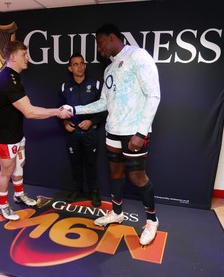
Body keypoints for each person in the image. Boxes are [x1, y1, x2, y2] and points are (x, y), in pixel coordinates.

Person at [63, 24, 161, 246]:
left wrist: (141, 132)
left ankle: (152, 220)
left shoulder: (138, 56)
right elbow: (103, 102)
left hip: (134, 133)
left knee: (137, 177)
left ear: (112, 38)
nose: (99, 49)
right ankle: (117, 213)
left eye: (100, 43)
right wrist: (75, 110)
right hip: (112, 132)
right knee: (115, 174)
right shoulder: (109, 69)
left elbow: (153, 95)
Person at [0, 40, 72, 221]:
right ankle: (2, 206)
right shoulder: (8, 80)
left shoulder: (14, 76)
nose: (27, 58)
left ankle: (19, 194)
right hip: (4, 136)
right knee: (6, 171)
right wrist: (57, 112)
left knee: (20, 164)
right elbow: (30, 111)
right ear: (13, 57)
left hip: (16, 132)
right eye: (23, 55)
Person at [60, 53, 106, 207]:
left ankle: (94, 192)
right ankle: (77, 189)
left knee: (91, 164)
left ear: (85, 65)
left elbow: (104, 108)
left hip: (90, 132)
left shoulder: (96, 84)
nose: (79, 67)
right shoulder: (65, 87)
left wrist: (91, 121)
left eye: (81, 63)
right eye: (75, 64)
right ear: (70, 68)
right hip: (72, 133)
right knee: (75, 163)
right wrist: (65, 122)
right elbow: (59, 109)